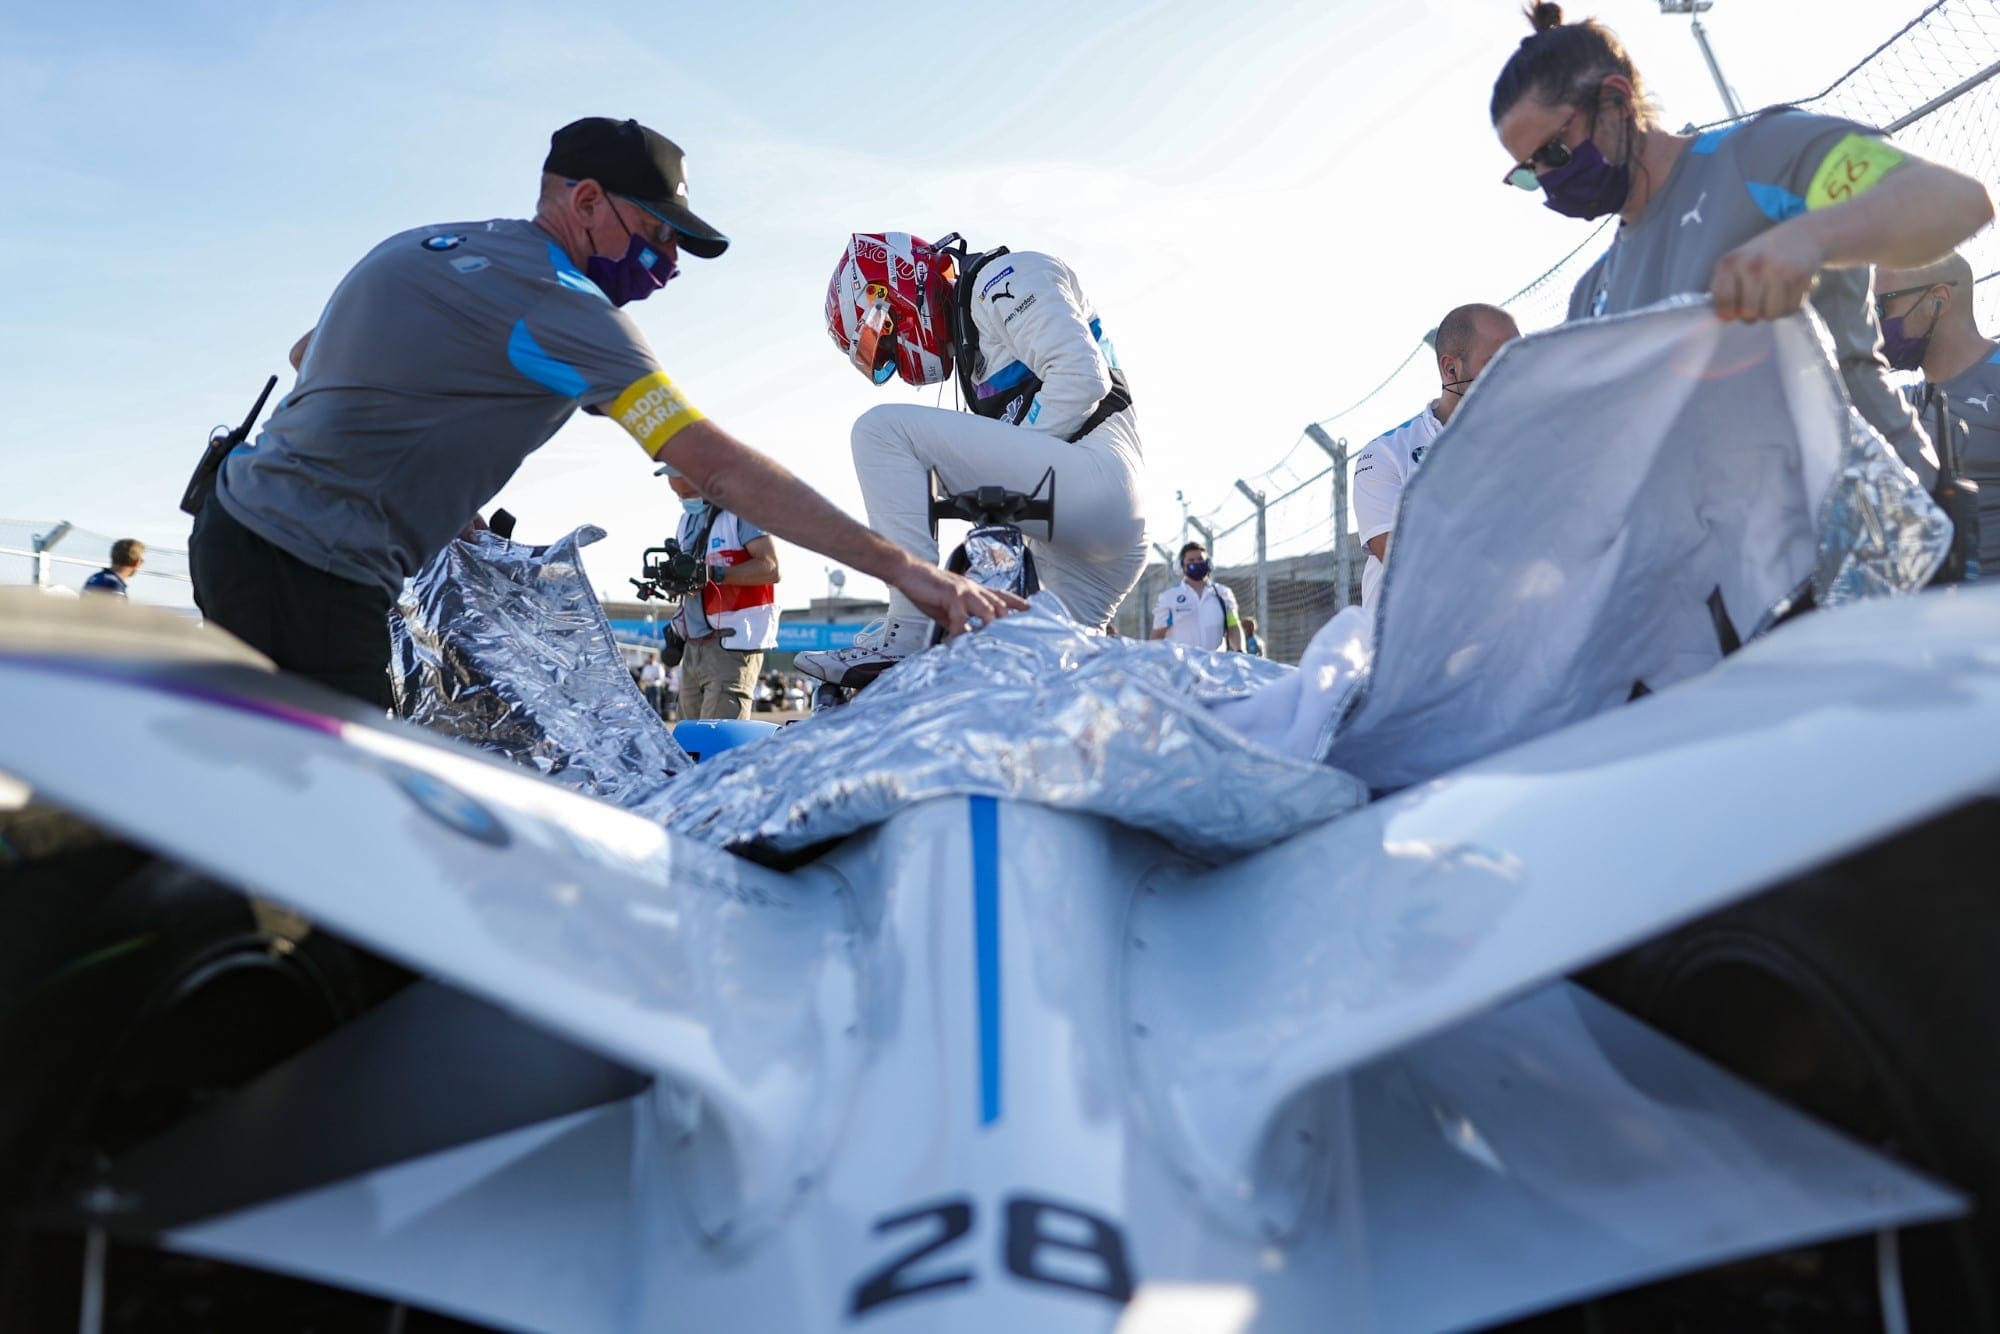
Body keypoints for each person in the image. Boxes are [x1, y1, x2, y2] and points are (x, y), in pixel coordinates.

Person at [190, 118, 1019, 709]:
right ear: (586, 201)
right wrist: (908, 571)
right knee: (335, 838)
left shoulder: (428, 244)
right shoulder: (565, 306)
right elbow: (717, 465)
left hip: (235, 524)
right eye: (658, 236)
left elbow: (312, 352)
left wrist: (448, 500)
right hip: (308, 570)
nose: (667, 265)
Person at [1492, 4, 1994, 491]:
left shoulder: (1763, 158)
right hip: (1742, 564)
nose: (1551, 179)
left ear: (1617, 101)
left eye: (1554, 152)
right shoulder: (1591, 296)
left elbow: (1957, 202)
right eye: (1531, 171)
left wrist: (1809, 237)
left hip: (1884, 526)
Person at [796, 231, 1146, 687]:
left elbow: (1081, 379)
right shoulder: (975, 337)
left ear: (892, 297)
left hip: (1095, 481)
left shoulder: (1007, 276)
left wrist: (991, 469)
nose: (893, 362)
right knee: (1047, 687)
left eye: (881, 344)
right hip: (1090, 527)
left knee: (880, 431)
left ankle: (910, 625)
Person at [1352, 304, 1520, 612]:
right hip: (1402, 656)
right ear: (1450, 368)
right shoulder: (1387, 454)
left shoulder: (1530, 448)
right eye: (1497, 362)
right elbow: (1407, 561)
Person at [1876, 253, 1999, 572]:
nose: (1874, 325)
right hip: (1933, 612)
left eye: (1882, 307)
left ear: (1937, 301)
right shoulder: (1900, 406)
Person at [667, 473, 781, 720]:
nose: (682, 500)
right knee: (688, 743)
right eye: (677, 495)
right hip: (694, 645)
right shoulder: (686, 520)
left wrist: (713, 573)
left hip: (731, 643)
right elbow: (690, 579)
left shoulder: (743, 513)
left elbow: (771, 568)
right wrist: (674, 582)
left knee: (720, 740)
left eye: (686, 494)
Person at [1152, 542, 1243, 652]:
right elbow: (1157, 635)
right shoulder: (1169, 597)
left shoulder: (1223, 594)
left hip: (1215, 664)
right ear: (1181, 565)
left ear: (1209, 563)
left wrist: (1240, 650)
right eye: (1191, 561)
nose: (1196, 563)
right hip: (1182, 666)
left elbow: (1233, 625)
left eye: (1200, 559)